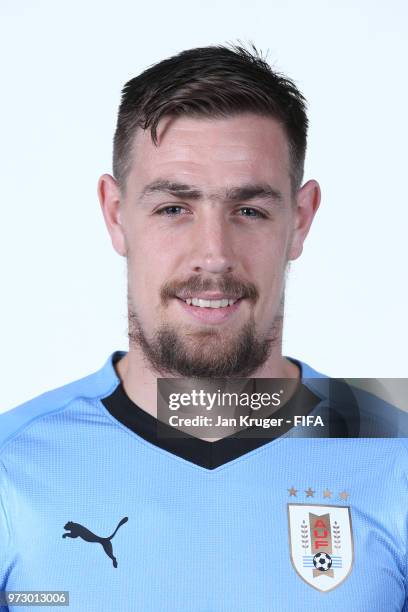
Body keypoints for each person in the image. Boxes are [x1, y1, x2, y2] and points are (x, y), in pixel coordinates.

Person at [1, 43, 408, 611]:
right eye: (174, 208)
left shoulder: (394, 456)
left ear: (301, 220)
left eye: (250, 210)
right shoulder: (11, 465)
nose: (213, 256)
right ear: (116, 215)